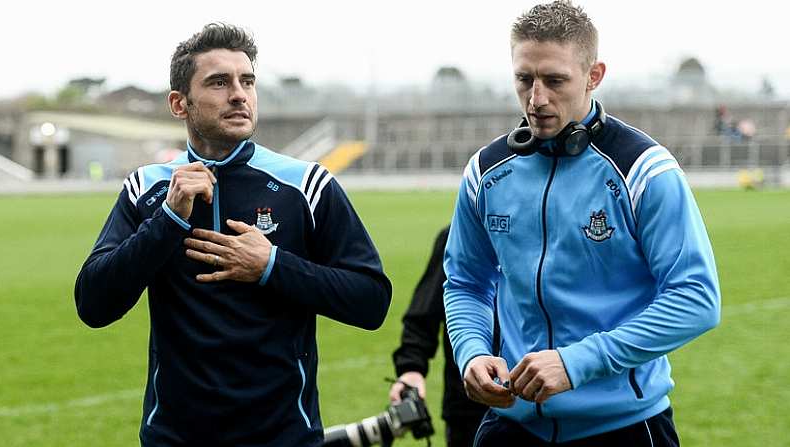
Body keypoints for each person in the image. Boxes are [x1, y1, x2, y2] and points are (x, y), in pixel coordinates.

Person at [74, 23, 391, 447]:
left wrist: (271, 266)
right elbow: (93, 304)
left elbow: (371, 301)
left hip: (284, 436)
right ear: (179, 103)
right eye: (219, 83)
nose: (239, 94)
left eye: (247, 81)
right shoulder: (146, 188)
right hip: (173, 437)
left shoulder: (307, 185)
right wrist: (168, 220)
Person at [443, 2, 721, 446]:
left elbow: (696, 299)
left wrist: (578, 362)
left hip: (623, 427)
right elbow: (466, 282)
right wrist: (471, 351)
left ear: (594, 76)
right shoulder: (486, 172)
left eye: (554, 81)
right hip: (512, 426)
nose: (536, 99)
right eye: (524, 79)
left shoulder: (644, 172)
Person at [389, 226, 488, 447]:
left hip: (540, 405)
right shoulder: (458, 234)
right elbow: (424, 313)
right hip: (468, 405)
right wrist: (411, 368)